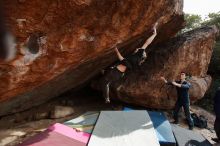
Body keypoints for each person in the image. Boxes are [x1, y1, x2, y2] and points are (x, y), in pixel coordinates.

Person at [101, 22, 158, 103]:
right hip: (119, 74)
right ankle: (104, 73)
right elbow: (124, 61)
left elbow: (147, 43)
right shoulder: (135, 61)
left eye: (139, 49)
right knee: (107, 76)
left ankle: (107, 98)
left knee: (105, 82)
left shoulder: (138, 55)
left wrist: (154, 34)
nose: (137, 48)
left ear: (141, 54)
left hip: (115, 72)